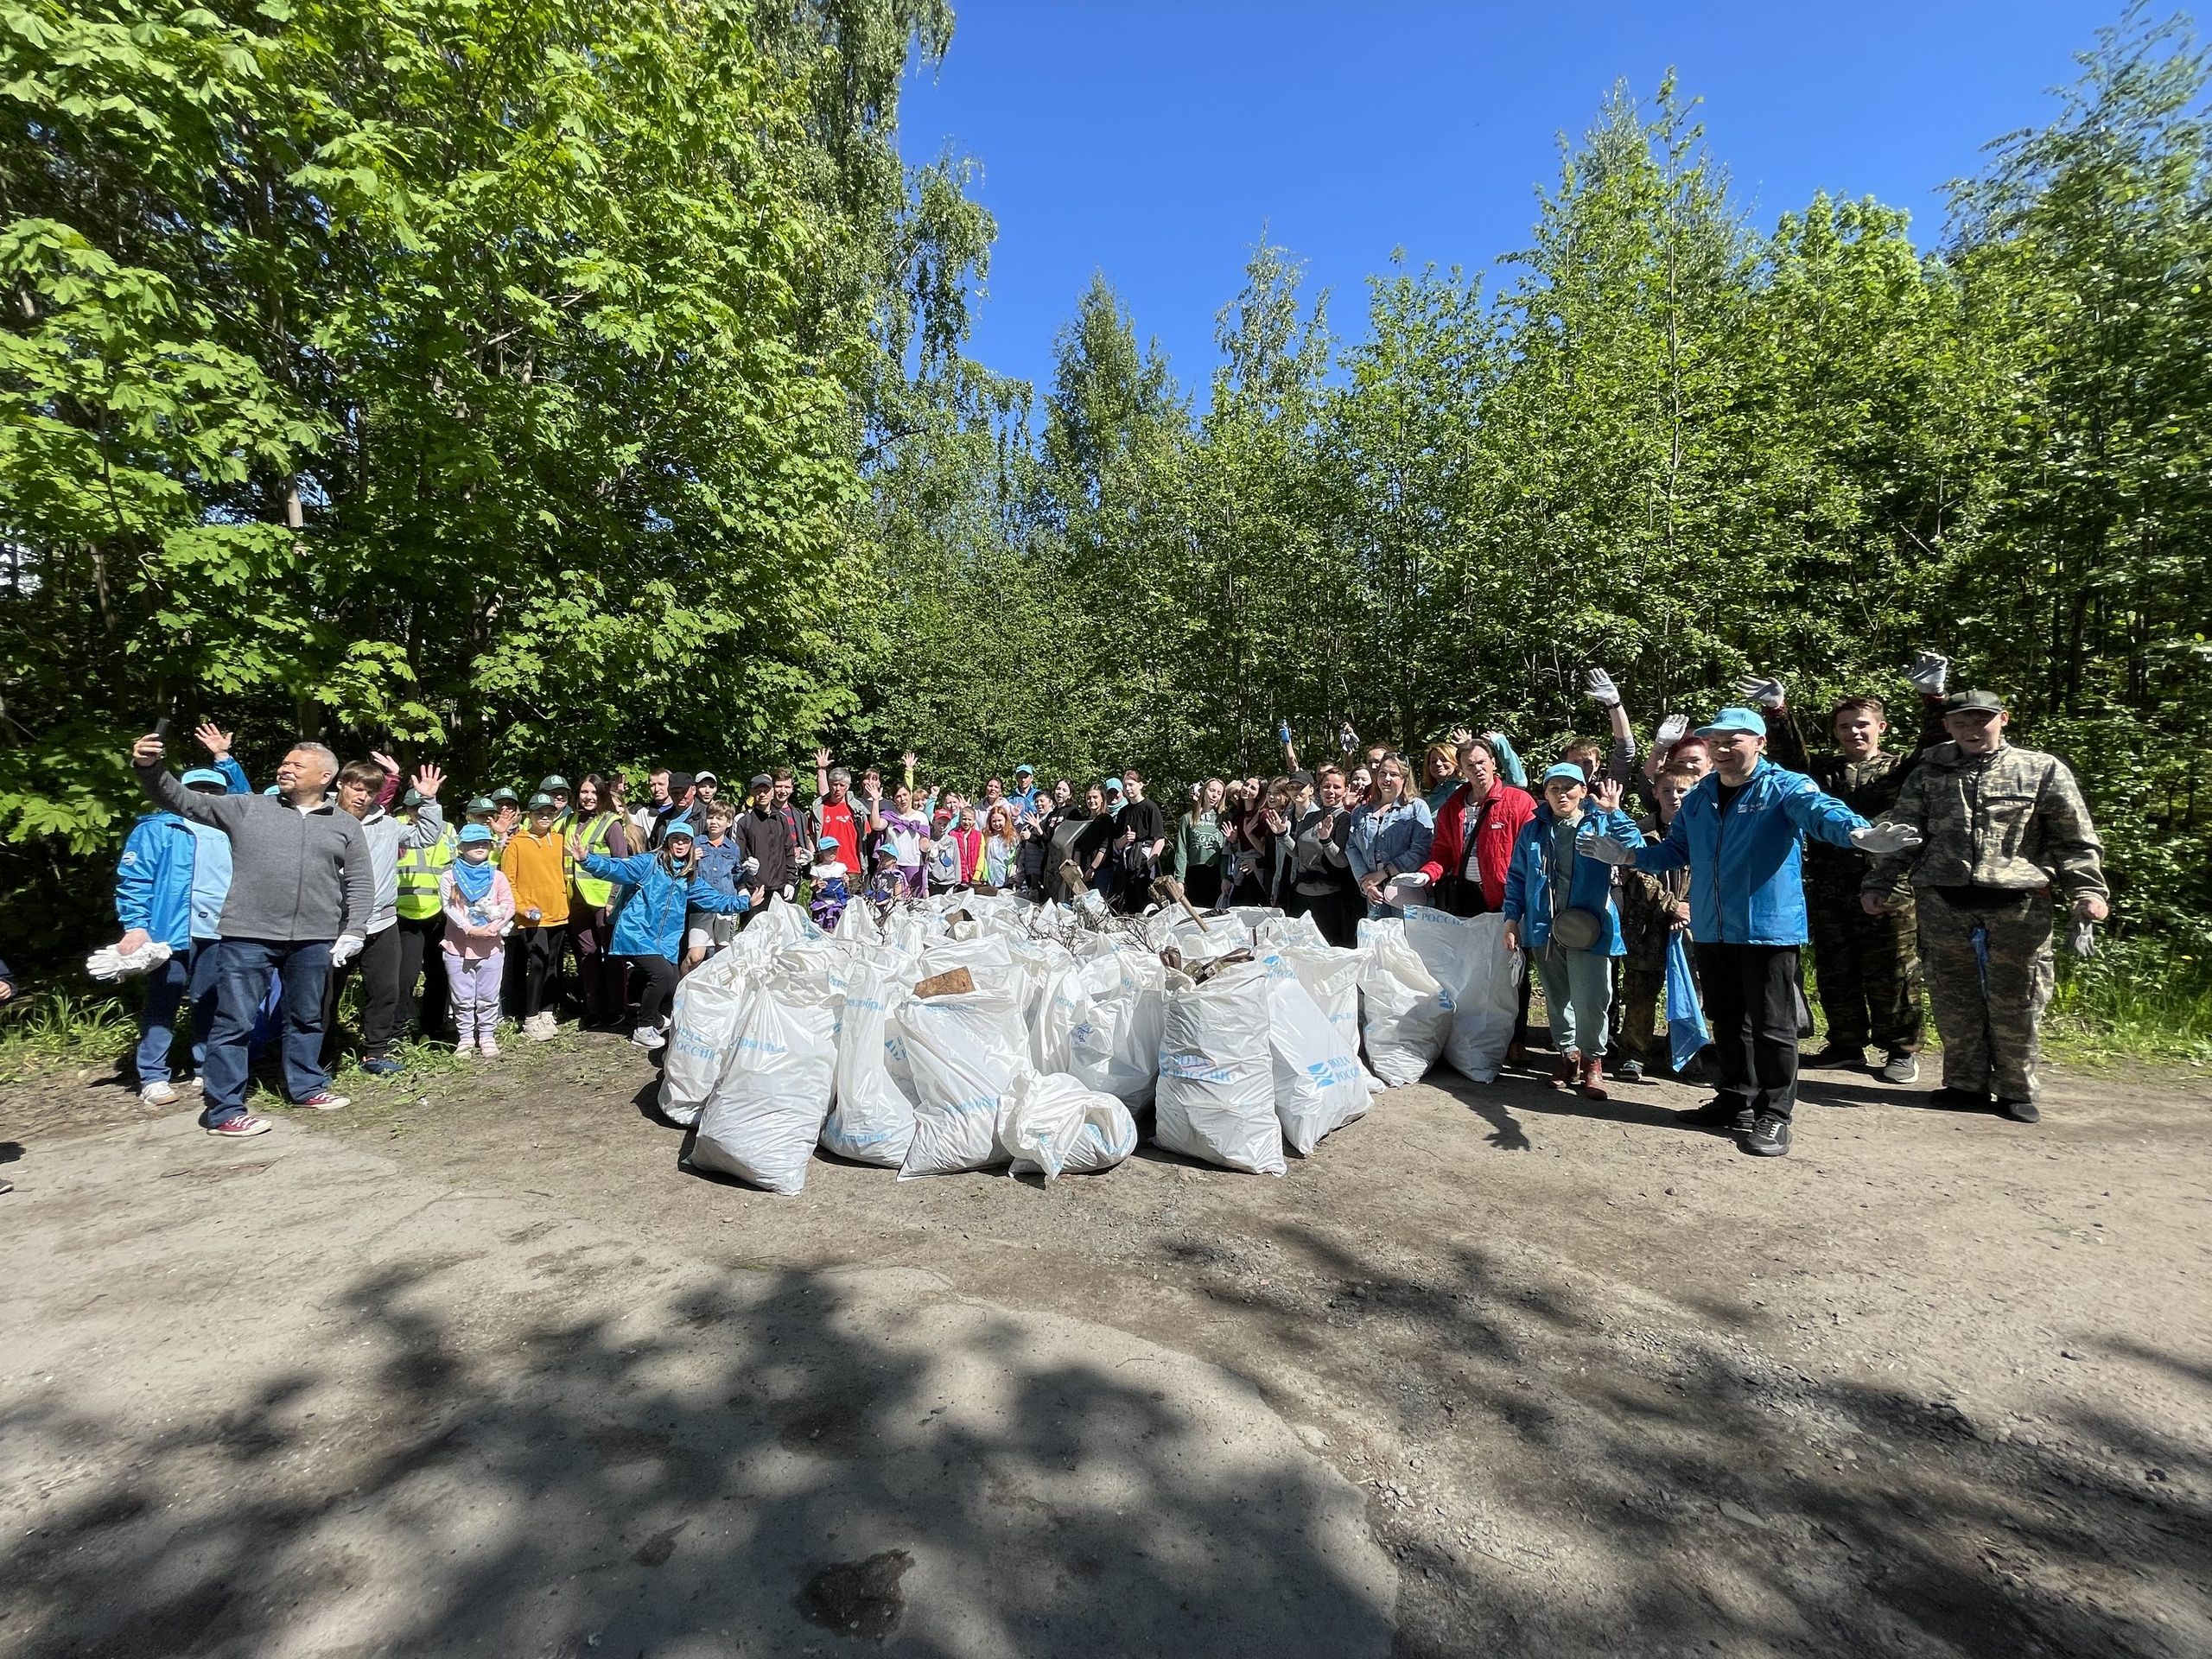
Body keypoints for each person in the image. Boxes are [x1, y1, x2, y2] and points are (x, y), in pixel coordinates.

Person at [1585, 707, 1918, 1158]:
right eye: (1715, 741)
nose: (1722, 748)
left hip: (1767, 929)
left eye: (1733, 739)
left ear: (1759, 742)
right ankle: (1735, 1100)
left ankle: (1775, 1115)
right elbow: (1678, 851)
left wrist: (1859, 834)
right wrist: (1628, 856)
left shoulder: (1785, 787)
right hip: (1712, 927)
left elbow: (1823, 813)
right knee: (1726, 1019)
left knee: (1772, 1027)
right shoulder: (1701, 795)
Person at [1862, 688, 2108, 1123]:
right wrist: (1879, 882)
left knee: (2019, 999)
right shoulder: (1929, 771)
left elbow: (2074, 838)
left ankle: (2015, 1088)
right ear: (1948, 726)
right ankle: (1964, 1083)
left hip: (2018, 904)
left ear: (2003, 719)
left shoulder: (2039, 769)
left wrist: (2088, 891)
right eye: (1961, 721)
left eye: (1982, 719)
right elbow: (1902, 832)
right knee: (1953, 997)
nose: (1972, 729)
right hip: (1944, 900)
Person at [130, 729, 371, 1135]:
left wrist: (354, 930)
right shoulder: (246, 808)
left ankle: (306, 1086)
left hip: (314, 938)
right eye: (285, 762)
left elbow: (361, 883)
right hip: (248, 936)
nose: (285, 768)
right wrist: (149, 767)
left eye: (297, 764)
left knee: (307, 1017)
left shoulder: (345, 825)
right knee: (234, 1022)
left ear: (325, 776)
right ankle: (224, 1110)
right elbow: (180, 799)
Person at [1751, 657, 1950, 1083]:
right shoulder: (1824, 772)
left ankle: (1900, 1048)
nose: (1853, 732)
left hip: (1890, 884)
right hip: (1829, 886)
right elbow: (1790, 759)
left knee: (1893, 970)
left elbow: (1935, 742)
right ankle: (1845, 1043)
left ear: (1882, 728)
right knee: (1836, 968)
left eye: (1861, 724)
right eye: (1844, 727)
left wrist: (1934, 698)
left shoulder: (1901, 769)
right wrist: (1777, 713)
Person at [114, 731, 250, 1104]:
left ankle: (205, 1067)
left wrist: (225, 759)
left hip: (221, 930)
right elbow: (134, 880)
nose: (208, 796)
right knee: (163, 1001)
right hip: (169, 931)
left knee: (211, 1000)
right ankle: (153, 1076)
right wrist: (135, 925)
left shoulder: (233, 829)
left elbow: (251, 802)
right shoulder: (156, 829)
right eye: (199, 789)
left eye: (215, 790)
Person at [1503, 768, 1643, 1099]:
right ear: (1545, 793)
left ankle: (1593, 1062)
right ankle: (1568, 1056)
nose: (1561, 794)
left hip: (1590, 927)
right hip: (1544, 927)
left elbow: (1636, 846)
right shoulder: (1533, 830)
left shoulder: (1600, 822)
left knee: (1592, 998)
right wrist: (1512, 920)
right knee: (1557, 997)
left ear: (1582, 790)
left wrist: (1614, 811)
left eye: (1569, 788)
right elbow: (1518, 877)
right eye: (1554, 788)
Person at [580, 822, 750, 1048]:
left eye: (685, 840)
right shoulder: (649, 863)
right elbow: (617, 868)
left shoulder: (688, 877)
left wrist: (745, 902)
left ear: (691, 845)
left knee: (673, 984)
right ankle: (643, 1027)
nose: (680, 844)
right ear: (667, 842)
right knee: (661, 976)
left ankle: (657, 1019)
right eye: (675, 839)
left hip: (666, 941)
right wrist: (587, 860)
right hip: (637, 933)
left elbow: (714, 899)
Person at [326, 758, 447, 1075]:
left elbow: (427, 837)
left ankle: (375, 1053)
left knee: (385, 991)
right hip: (333, 924)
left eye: (370, 791)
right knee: (325, 992)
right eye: (356, 787)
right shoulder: (322, 819)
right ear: (340, 785)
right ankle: (321, 1053)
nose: (362, 796)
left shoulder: (387, 825)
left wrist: (429, 801)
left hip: (381, 922)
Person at [1614, 759, 1700, 1083]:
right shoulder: (1640, 830)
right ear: (1655, 793)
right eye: (1667, 790)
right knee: (1640, 989)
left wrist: (1688, 908)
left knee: (1691, 989)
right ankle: (1634, 1054)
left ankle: (1687, 1053)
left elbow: (1710, 872)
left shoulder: (1703, 830)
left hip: (1690, 924)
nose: (1674, 796)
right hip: (1646, 924)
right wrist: (1670, 905)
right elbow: (1635, 873)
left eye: (1682, 790)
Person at [441, 823, 515, 1056]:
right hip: (457, 947)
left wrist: (494, 927)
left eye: (484, 842)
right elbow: (449, 908)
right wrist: (470, 929)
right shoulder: (449, 876)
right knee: (461, 996)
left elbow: (509, 905)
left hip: (491, 946)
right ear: (461, 847)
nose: (479, 847)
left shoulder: (498, 876)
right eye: (473, 843)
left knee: (488, 995)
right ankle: (464, 1037)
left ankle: (487, 1035)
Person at [499, 792, 569, 1039]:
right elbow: (508, 882)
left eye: (549, 813)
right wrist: (522, 908)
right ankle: (530, 1019)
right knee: (538, 963)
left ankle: (547, 1013)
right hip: (531, 916)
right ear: (529, 815)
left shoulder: (561, 840)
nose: (545, 817)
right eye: (539, 813)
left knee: (552, 964)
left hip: (559, 913)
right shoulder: (516, 843)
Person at [565, 774, 631, 1029]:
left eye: (593, 792)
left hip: (604, 900)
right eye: (584, 792)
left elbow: (622, 865)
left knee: (612, 955)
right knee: (587, 954)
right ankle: (594, 1008)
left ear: (602, 795)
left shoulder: (611, 823)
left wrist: (614, 898)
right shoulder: (570, 821)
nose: (588, 797)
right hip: (576, 899)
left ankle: (617, 1008)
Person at [392, 787, 456, 1044]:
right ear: (404, 808)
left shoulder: (448, 829)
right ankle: (394, 1032)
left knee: (439, 973)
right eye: (412, 808)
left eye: (422, 807)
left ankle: (433, 1028)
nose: (417, 813)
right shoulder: (394, 827)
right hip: (403, 914)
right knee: (404, 977)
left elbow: (456, 864)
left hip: (440, 913)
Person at [1347, 754, 1434, 918]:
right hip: (1374, 894)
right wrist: (1365, 883)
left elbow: (1421, 850)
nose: (1387, 779)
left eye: (1393, 774)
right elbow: (1351, 848)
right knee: (1376, 941)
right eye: (1382, 773)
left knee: (1406, 942)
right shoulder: (1361, 811)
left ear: (1404, 778)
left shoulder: (1417, 808)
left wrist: (1383, 874)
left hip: (1406, 894)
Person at [1285, 766, 1363, 946]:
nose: (1331, 791)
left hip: (1329, 900)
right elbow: (1297, 853)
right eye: (1326, 786)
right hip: (1301, 896)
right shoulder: (1310, 816)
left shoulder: (1344, 818)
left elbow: (1342, 862)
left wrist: (1326, 840)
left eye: (1337, 787)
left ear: (1346, 790)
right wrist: (1282, 835)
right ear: (1319, 789)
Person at [685, 798, 747, 968]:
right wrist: (690, 860)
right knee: (696, 956)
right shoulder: (696, 842)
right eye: (711, 817)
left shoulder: (733, 848)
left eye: (719, 818)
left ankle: (716, 990)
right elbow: (684, 873)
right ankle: (682, 988)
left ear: (729, 822)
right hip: (701, 905)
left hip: (726, 906)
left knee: (723, 954)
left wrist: (748, 873)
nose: (714, 822)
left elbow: (736, 877)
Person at [735, 772, 798, 913]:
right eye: (758, 790)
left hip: (779, 889)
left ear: (772, 793)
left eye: (766, 790)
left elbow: (789, 852)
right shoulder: (743, 820)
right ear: (752, 792)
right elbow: (735, 856)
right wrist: (741, 887)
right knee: (753, 933)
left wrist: (790, 882)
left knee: (779, 934)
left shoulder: (781, 819)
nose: (762, 794)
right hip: (754, 890)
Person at [1109, 771, 1166, 912]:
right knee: (1127, 904)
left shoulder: (1150, 807)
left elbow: (1159, 840)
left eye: (1131, 785)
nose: (1128, 789)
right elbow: (1116, 844)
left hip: (1145, 863)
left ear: (1140, 785)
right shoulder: (1123, 812)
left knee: (1147, 902)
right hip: (1126, 865)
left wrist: (1148, 865)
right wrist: (1125, 839)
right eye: (1125, 785)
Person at [868, 779, 932, 898]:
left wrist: (929, 847)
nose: (902, 799)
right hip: (892, 866)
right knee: (891, 904)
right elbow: (876, 825)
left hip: (914, 865)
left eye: (905, 794)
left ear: (910, 794)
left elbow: (924, 841)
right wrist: (876, 801)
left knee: (913, 904)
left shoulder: (921, 817)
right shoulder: (889, 816)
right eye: (898, 796)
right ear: (894, 799)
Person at [1173, 779, 1229, 908]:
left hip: (1216, 873)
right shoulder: (1188, 818)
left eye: (1219, 793)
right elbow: (1181, 850)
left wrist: (1225, 877)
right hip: (1195, 872)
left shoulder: (1223, 818)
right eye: (1212, 790)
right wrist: (1179, 879)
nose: (1215, 795)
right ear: (1204, 791)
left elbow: (1226, 851)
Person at [811, 750, 863, 874]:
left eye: (842, 785)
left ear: (848, 786)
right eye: (834, 785)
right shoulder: (820, 808)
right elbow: (811, 835)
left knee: (854, 895)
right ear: (830, 784)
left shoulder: (856, 809)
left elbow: (866, 835)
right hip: (825, 869)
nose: (838, 789)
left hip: (851, 868)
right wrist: (821, 769)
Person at [807, 836, 852, 930]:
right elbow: (812, 886)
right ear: (822, 852)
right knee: (822, 928)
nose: (832, 852)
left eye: (835, 849)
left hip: (838, 903)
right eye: (829, 850)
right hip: (823, 904)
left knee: (838, 928)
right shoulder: (817, 869)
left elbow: (846, 886)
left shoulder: (841, 867)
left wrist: (847, 881)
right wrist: (817, 886)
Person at [981, 802, 1020, 889]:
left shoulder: (1012, 836)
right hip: (989, 877)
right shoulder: (986, 835)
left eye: (1000, 820)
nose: (997, 824)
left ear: (1005, 820)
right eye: (994, 821)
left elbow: (1016, 857)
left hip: (1006, 878)